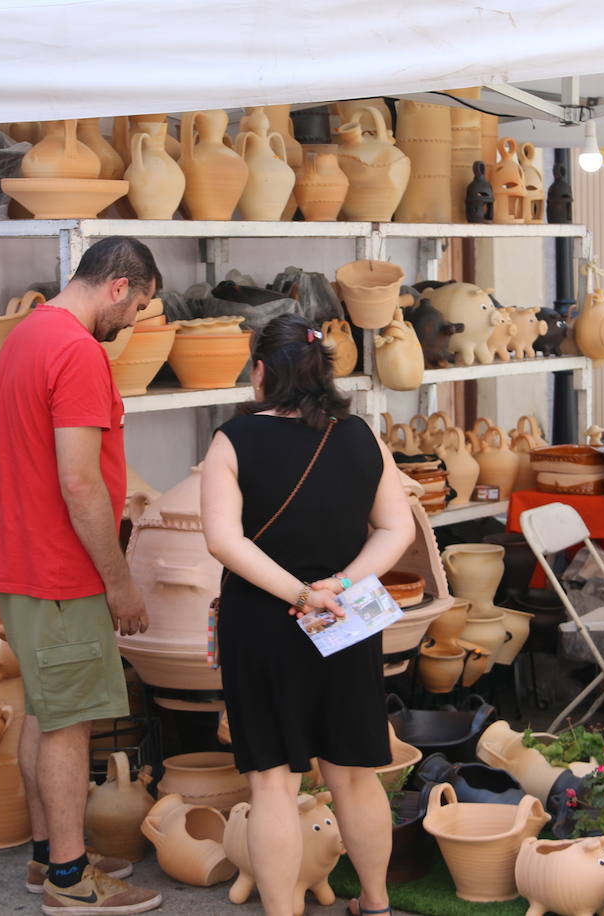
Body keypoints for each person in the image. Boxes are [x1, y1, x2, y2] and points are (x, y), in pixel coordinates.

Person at [199, 313, 416, 916]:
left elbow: (224, 541)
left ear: (262, 370)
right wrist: (341, 586)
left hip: (264, 624)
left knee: (272, 781)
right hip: (345, 619)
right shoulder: (361, 436)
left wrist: (298, 594)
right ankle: (374, 903)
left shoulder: (233, 441)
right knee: (353, 773)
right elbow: (397, 527)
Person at [0, 236, 163, 916]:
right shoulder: (78, 352)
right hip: (62, 572)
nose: (136, 322)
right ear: (118, 287)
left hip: (21, 563)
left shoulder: (25, 336)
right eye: (140, 306)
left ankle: (46, 857)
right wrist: (119, 582)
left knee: (47, 712)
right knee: (71, 725)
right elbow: (81, 484)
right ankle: (70, 880)